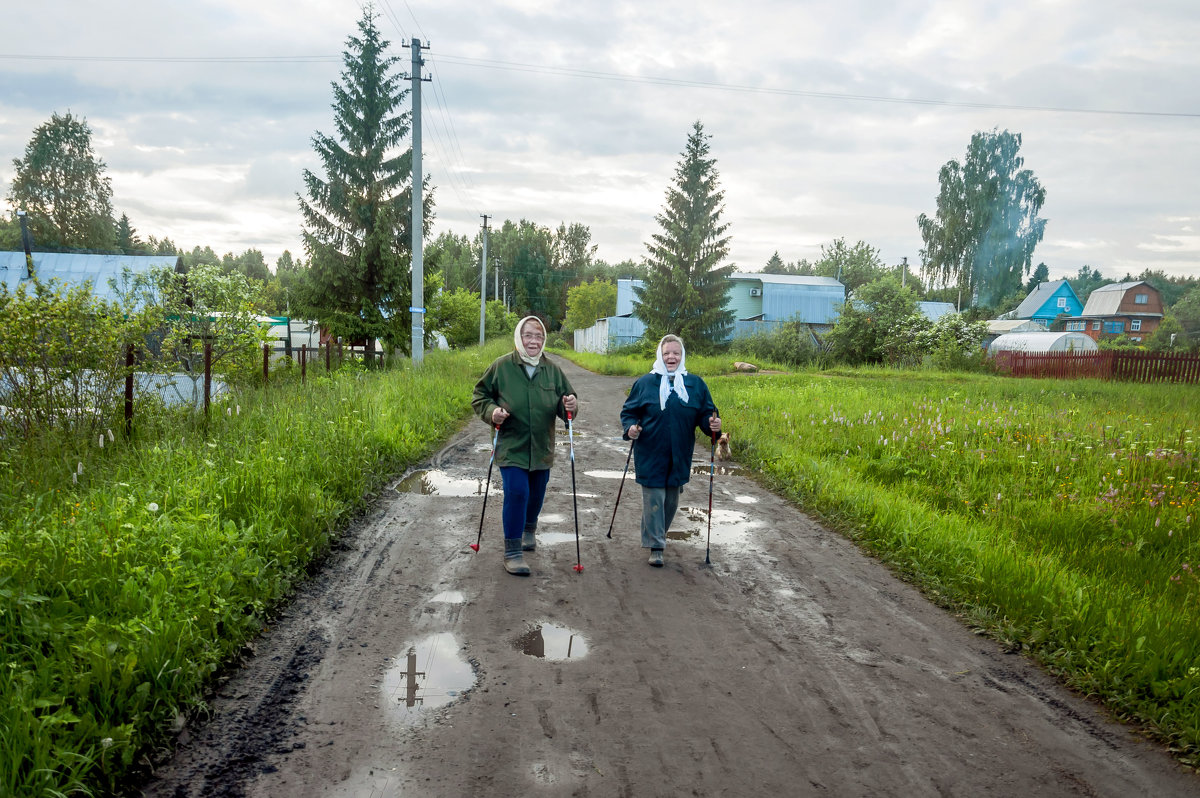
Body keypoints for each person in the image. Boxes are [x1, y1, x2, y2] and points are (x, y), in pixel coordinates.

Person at [472, 316, 578, 575]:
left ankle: (529, 527)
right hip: (510, 443)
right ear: (519, 337)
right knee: (517, 492)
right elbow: (480, 396)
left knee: (537, 492)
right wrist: (492, 412)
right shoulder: (501, 367)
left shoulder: (552, 370)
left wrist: (571, 407)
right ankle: (513, 551)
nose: (534, 341)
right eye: (529, 335)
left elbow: (567, 405)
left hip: (541, 445)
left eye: (539, 336)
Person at [620, 334, 722, 567]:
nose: (671, 357)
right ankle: (656, 546)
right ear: (660, 355)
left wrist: (712, 424)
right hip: (650, 452)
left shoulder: (695, 385)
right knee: (654, 497)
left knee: (671, 501)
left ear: (682, 355)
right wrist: (631, 428)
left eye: (676, 353)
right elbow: (628, 412)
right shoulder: (645, 383)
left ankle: (656, 534)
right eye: (667, 353)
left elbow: (707, 414)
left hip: (680, 454)